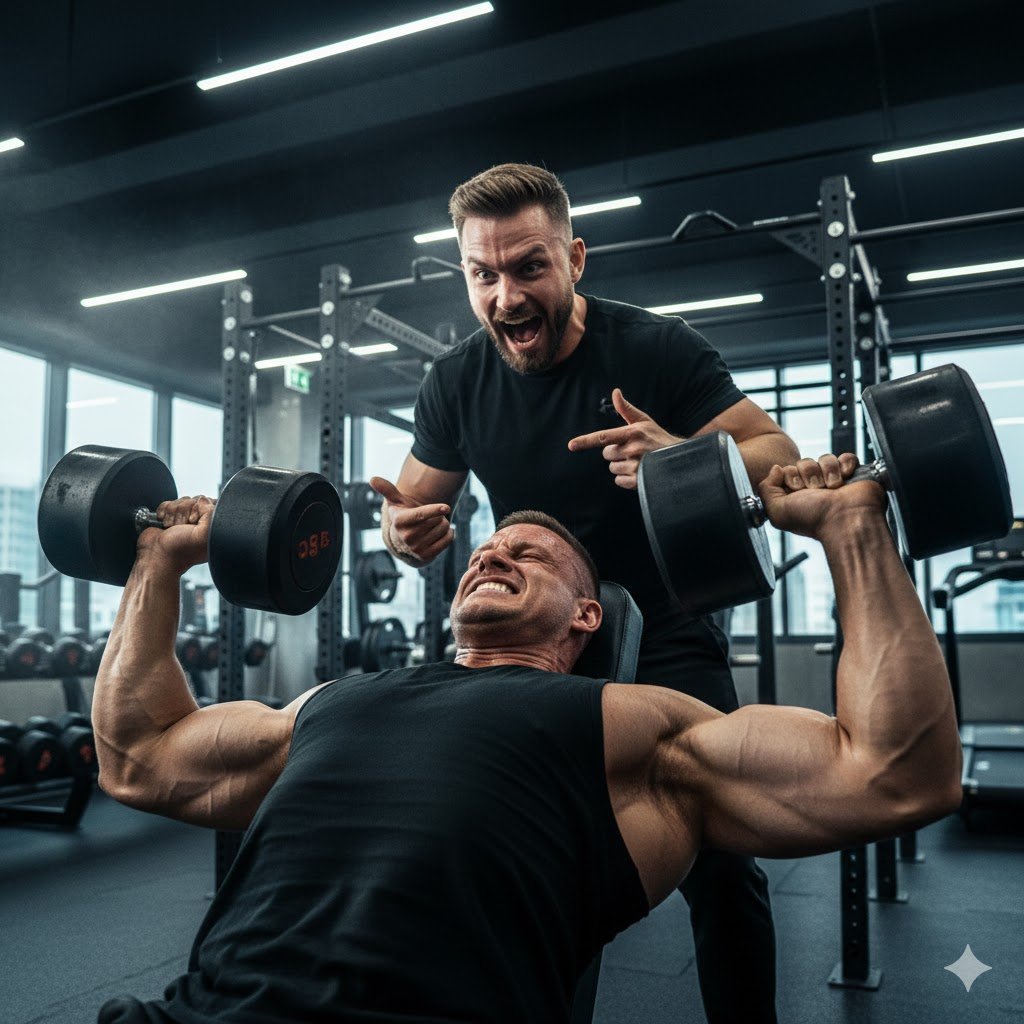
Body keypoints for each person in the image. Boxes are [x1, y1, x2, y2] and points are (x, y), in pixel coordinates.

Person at [93, 455, 962, 1024]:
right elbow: (140, 755)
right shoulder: (333, 701)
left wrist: (853, 530)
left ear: (587, 616)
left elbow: (893, 774)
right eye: (484, 551)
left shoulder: (631, 722)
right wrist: (157, 563)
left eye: (530, 555)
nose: (491, 556)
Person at [371, 162, 801, 1022]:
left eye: (528, 267)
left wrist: (683, 455)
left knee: (721, 861)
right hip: (536, 643)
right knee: (504, 850)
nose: (505, 297)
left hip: (669, 630)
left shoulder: (654, 349)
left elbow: (776, 453)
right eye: (482, 275)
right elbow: (411, 504)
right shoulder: (455, 380)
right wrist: (401, 533)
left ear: (574, 258)